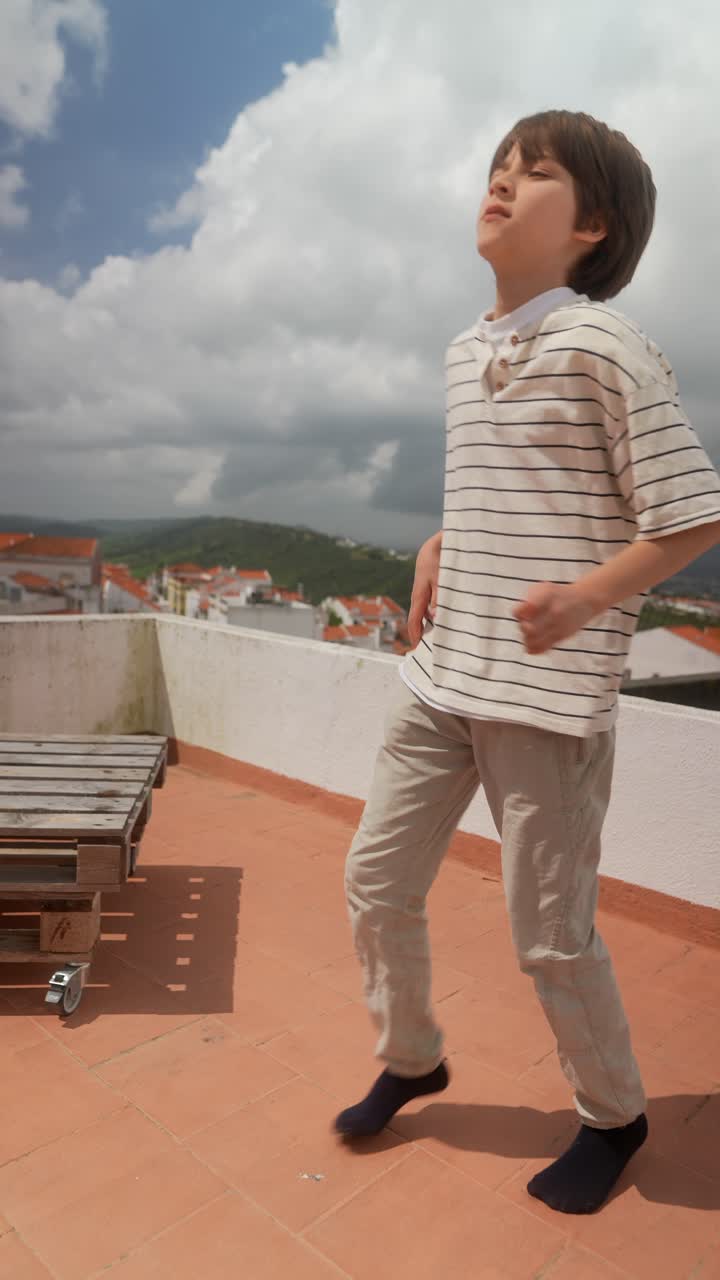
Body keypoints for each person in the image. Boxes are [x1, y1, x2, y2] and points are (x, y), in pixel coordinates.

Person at [334, 109, 720, 1216]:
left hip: (545, 703)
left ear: (593, 225)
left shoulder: (608, 347)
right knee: (376, 881)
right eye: (498, 166)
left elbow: (692, 514)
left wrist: (588, 598)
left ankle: (614, 1114)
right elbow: (511, 490)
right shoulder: (467, 351)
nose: (500, 181)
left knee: (550, 937)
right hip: (442, 679)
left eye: (533, 172)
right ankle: (413, 1055)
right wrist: (439, 542)